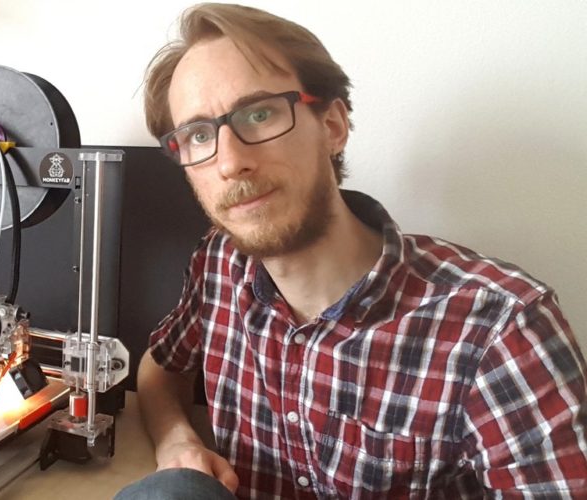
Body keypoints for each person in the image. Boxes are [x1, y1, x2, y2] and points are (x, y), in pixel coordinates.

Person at [120, 3, 587, 499]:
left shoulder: (501, 329)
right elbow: (162, 366)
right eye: (198, 135)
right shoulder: (219, 262)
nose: (231, 162)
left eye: (259, 114)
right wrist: (177, 441)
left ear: (333, 126)